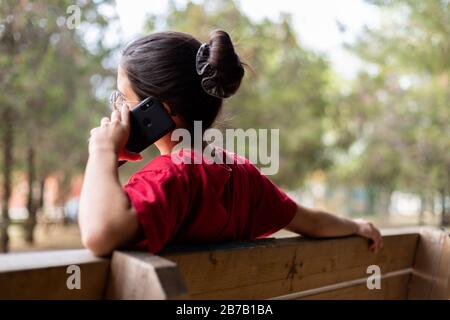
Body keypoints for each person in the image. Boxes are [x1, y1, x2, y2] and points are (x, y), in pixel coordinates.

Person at [79, 30, 383, 256]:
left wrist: (102, 151)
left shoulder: (171, 178)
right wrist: (356, 226)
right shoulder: (241, 175)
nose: (117, 109)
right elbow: (312, 222)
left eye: (122, 97)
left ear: (160, 109)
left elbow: (99, 233)